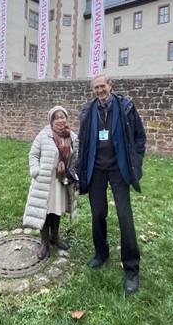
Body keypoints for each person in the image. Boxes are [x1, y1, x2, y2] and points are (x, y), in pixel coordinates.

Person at [76, 74, 146, 294]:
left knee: (125, 216)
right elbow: (83, 141)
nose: (99, 90)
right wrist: (80, 167)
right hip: (96, 168)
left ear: (110, 86)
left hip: (119, 168)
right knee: (97, 213)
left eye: (102, 86)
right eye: (95, 87)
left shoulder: (125, 107)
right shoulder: (89, 111)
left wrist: (135, 160)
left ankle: (131, 268)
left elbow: (139, 137)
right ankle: (101, 253)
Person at [23, 106, 78, 260]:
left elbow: (75, 158)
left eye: (63, 117)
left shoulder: (72, 137)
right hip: (46, 180)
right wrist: (35, 171)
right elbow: (33, 154)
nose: (60, 120)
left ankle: (55, 237)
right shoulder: (43, 135)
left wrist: (72, 173)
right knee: (45, 210)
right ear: (51, 121)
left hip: (62, 181)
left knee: (57, 209)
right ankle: (44, 242)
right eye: (56, 118)